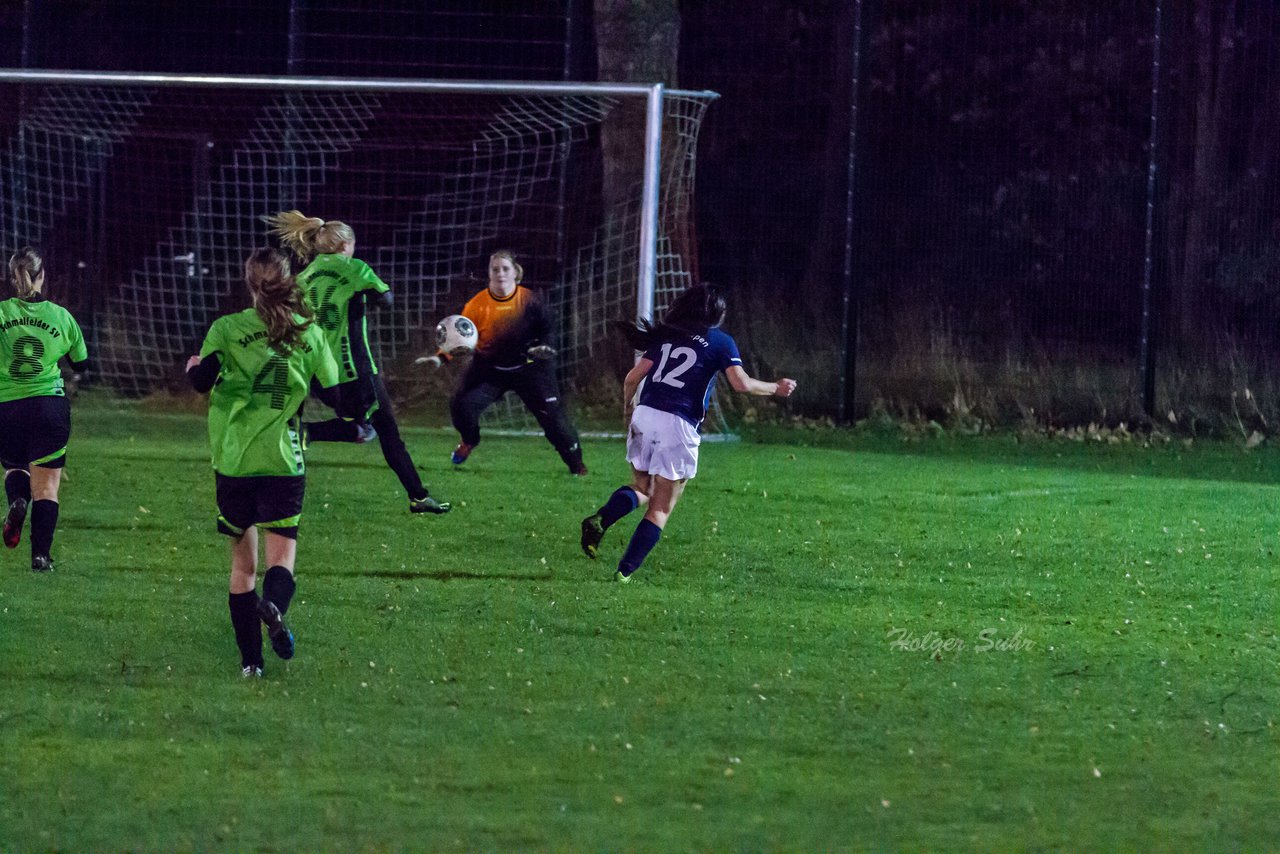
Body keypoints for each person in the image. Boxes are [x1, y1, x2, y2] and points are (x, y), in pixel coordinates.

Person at [186, 247, 341, 677]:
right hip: (283, 461)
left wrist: (194, 367)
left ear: (250, 282)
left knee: (242, 567)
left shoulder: (229, 328)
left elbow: (201, 382)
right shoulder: (308, 331)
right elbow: (336, 396)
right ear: (288, 280)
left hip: (235, 461)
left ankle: (251, 663)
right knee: (281, 561)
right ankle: (273, 606)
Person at [579, 282, 796, 582]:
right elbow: (741, 384)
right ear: (718, 314)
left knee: (642, 488)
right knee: (660, 509)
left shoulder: (669, 336)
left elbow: (632, 378)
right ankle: (624, 573)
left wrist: (629, 412)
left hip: (646, 414)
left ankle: (602, 518)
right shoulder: (720, 342)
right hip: (678, 424)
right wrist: (775, 387)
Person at [266, 210, 449, 514]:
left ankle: (306, 433)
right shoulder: (354, 268)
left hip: (318, 377)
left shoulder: (302, 277)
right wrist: (363, 298)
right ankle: (418, 496)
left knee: (363, 428)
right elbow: (386, 299)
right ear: (344, 246)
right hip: (355, 372)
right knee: (387, 430)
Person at [427, 249, 586, 475]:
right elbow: (458, 338)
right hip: (489, 369)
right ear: (489, 274)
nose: (500, 273)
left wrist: (545, 348)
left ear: (515, 273)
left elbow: (549, 330)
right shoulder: (476, 305)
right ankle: (469, 441)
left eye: (505, 269)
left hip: (530, 369)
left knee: (555, 421)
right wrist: (439, 357)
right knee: (461, 407)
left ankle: (576, 465)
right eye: (495, 269)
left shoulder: (531, 301)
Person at [0, 247, 88, 572]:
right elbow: (82, 362)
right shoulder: (61, 316)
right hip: (49, 406)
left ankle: (17, 501)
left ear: (13, 278)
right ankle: (40, 557)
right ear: (41, 276)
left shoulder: (1, 313)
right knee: (48, 487)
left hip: (6, 406)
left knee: (16, 468)